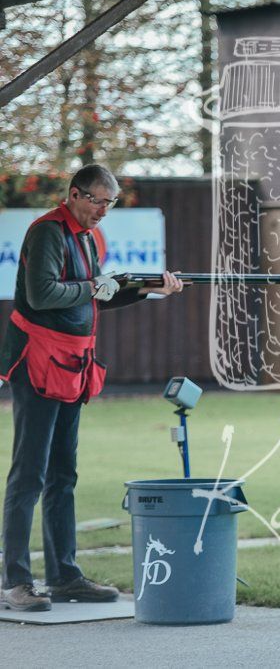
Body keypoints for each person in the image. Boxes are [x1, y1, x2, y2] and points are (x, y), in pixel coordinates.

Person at [0, 164, 184, 612]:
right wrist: (93, 286)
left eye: (110, 203)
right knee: (29, 475)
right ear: (75, 194)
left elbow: (97, 296)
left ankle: (64, 576)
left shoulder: (86, 236)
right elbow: (44, 295)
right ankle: (15, 581)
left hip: (70, 364)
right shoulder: (49, 232)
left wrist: (147, 289)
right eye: (98, 200)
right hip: (38, 363)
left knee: (63, 475)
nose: (104, 210)